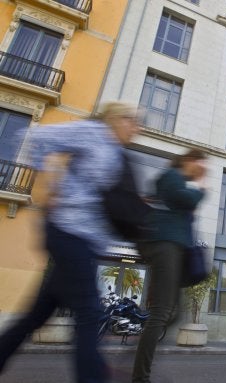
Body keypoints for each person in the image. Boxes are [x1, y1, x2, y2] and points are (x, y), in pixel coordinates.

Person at [0, 101, 141, 383]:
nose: (136, 128)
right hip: (67, 231)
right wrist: (48, 188)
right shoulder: (92, 132)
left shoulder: (117, 153)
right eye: (132, 121)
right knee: (90, 313)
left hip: (86, 242)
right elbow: (36, 137)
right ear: (115, 119)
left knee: (36, 316)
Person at [132, 148, 208, 383]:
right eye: (201, 164)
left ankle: (141, 352)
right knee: (162, 312)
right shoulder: (173, 176)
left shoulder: (176, 180)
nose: (203, 170)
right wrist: (201, 189)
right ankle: (140, 377)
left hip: (173, 247)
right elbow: (187, 199)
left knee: (174, 314)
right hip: (165, 245)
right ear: (189, 161)